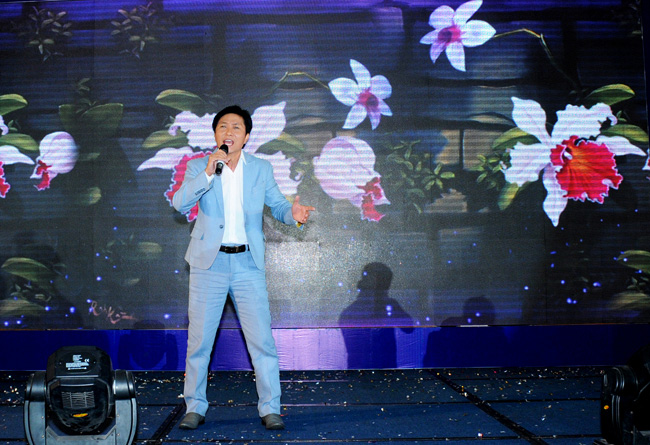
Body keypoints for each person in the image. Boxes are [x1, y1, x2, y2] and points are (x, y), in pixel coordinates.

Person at [172, 105, 314, 430]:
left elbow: (278, 205)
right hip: (209, 264)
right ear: (215, 134)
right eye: (223, 126)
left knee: (261, 340)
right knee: (199, 342)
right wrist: (209, 172)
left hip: (247, 263)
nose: (229, 132)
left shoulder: (260, 169)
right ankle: (194, 406)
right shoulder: (199, 165)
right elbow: (180, 204)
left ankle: (270, 408)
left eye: (236, 127)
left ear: (247, 136)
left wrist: (293, 214)